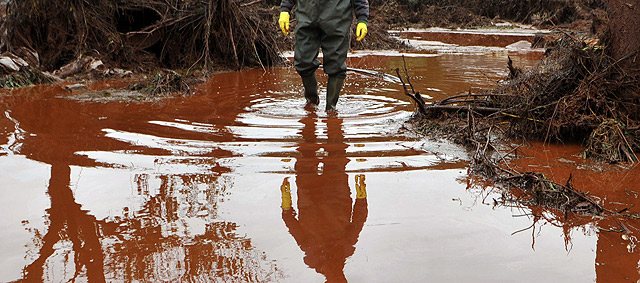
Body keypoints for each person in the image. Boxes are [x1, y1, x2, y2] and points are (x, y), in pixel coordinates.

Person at [278, 0, 370, 111]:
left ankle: (331, 110)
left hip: (338, 18)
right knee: (303, 60)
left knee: (336, 64)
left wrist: (362, 18)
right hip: (306, 15)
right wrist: (285, 10)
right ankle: (311, 102)